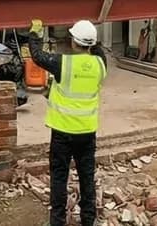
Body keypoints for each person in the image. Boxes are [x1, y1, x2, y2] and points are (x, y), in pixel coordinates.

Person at [27, 18, 107, 226]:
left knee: (59, 178)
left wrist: (35, 34)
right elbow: (97, 50)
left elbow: (37, 56)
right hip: (87, 133)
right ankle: (89, 220)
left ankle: (57, 221)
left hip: (62, 132)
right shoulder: (100, 64)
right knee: (87, 177)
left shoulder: (63, 63)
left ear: (73, 42)